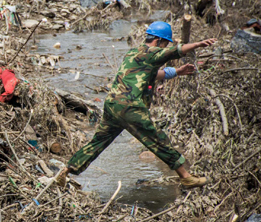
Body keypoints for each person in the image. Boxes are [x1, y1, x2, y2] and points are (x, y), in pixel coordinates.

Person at [56, 21, 217, 189]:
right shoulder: (153, 52)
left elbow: (150, 74)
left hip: (112, 105)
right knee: (157, 139)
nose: (165, 47)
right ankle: (186, 177)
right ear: (158, 41)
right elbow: (176, 51)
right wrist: (197, 44)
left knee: (98, 142)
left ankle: (66, 171)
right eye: (165, 44)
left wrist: (176, 72)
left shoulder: (133, 53)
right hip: (129, 106)